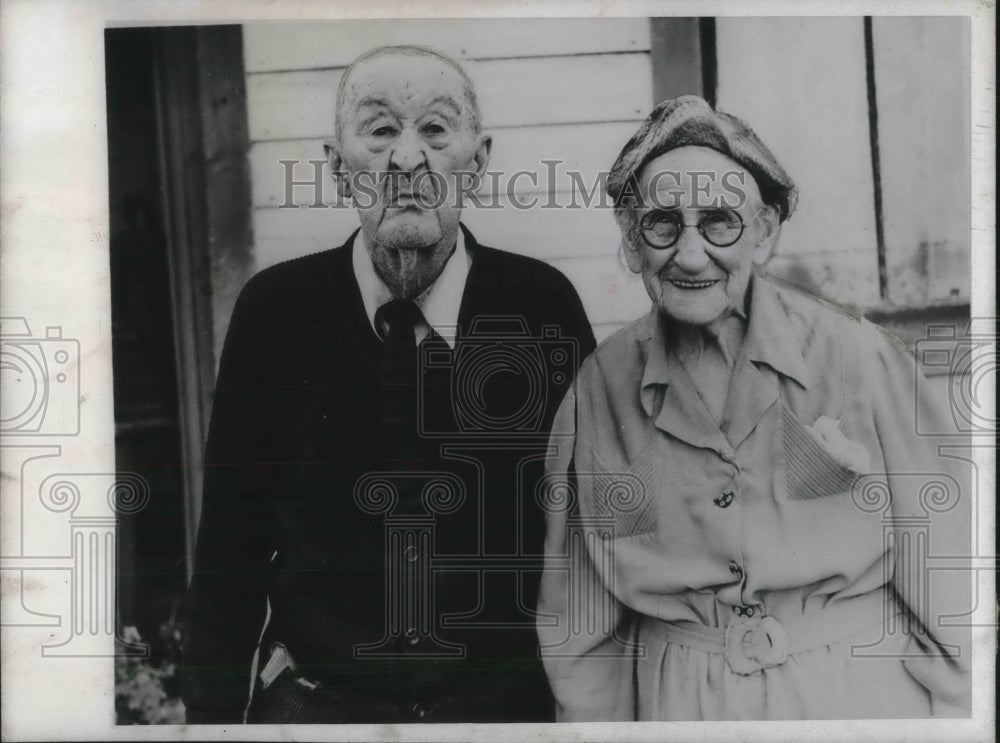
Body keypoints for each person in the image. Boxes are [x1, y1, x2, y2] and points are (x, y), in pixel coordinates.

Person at [181, 45, 595, 724]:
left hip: (499, 713)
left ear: (479, 159)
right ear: (338, 168)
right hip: (320, 707)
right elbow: (229, 551)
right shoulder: (275, 313)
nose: (408, 160)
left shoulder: (539, 307)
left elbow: (591, 539)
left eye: (435, 129)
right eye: (379, 131)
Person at [537, 95, 971, 720]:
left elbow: (951, 581)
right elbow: (580, 629)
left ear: (764, 232)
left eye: (720, 221)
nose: (689, 254)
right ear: (632, 242)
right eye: (662, 223)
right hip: (680, 706)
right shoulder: (599, 389)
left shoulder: (859, 358)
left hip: (855, 696)